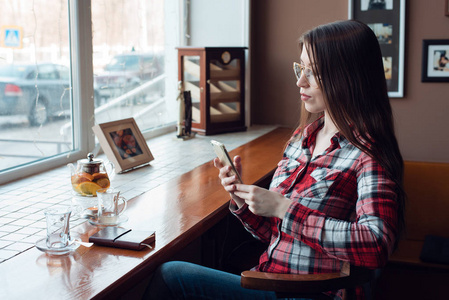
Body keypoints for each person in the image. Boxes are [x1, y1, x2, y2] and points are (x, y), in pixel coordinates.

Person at [143, 20, 405, 300]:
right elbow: (274, 233)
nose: (299, 81)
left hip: (309, 293)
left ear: (347, 77)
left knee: (171, 277)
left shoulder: (368, 154)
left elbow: (376, 245)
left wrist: (283, 207)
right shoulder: (300, 139)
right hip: (270, 281)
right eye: (300, 68)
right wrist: (242, 200)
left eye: (312, 73)